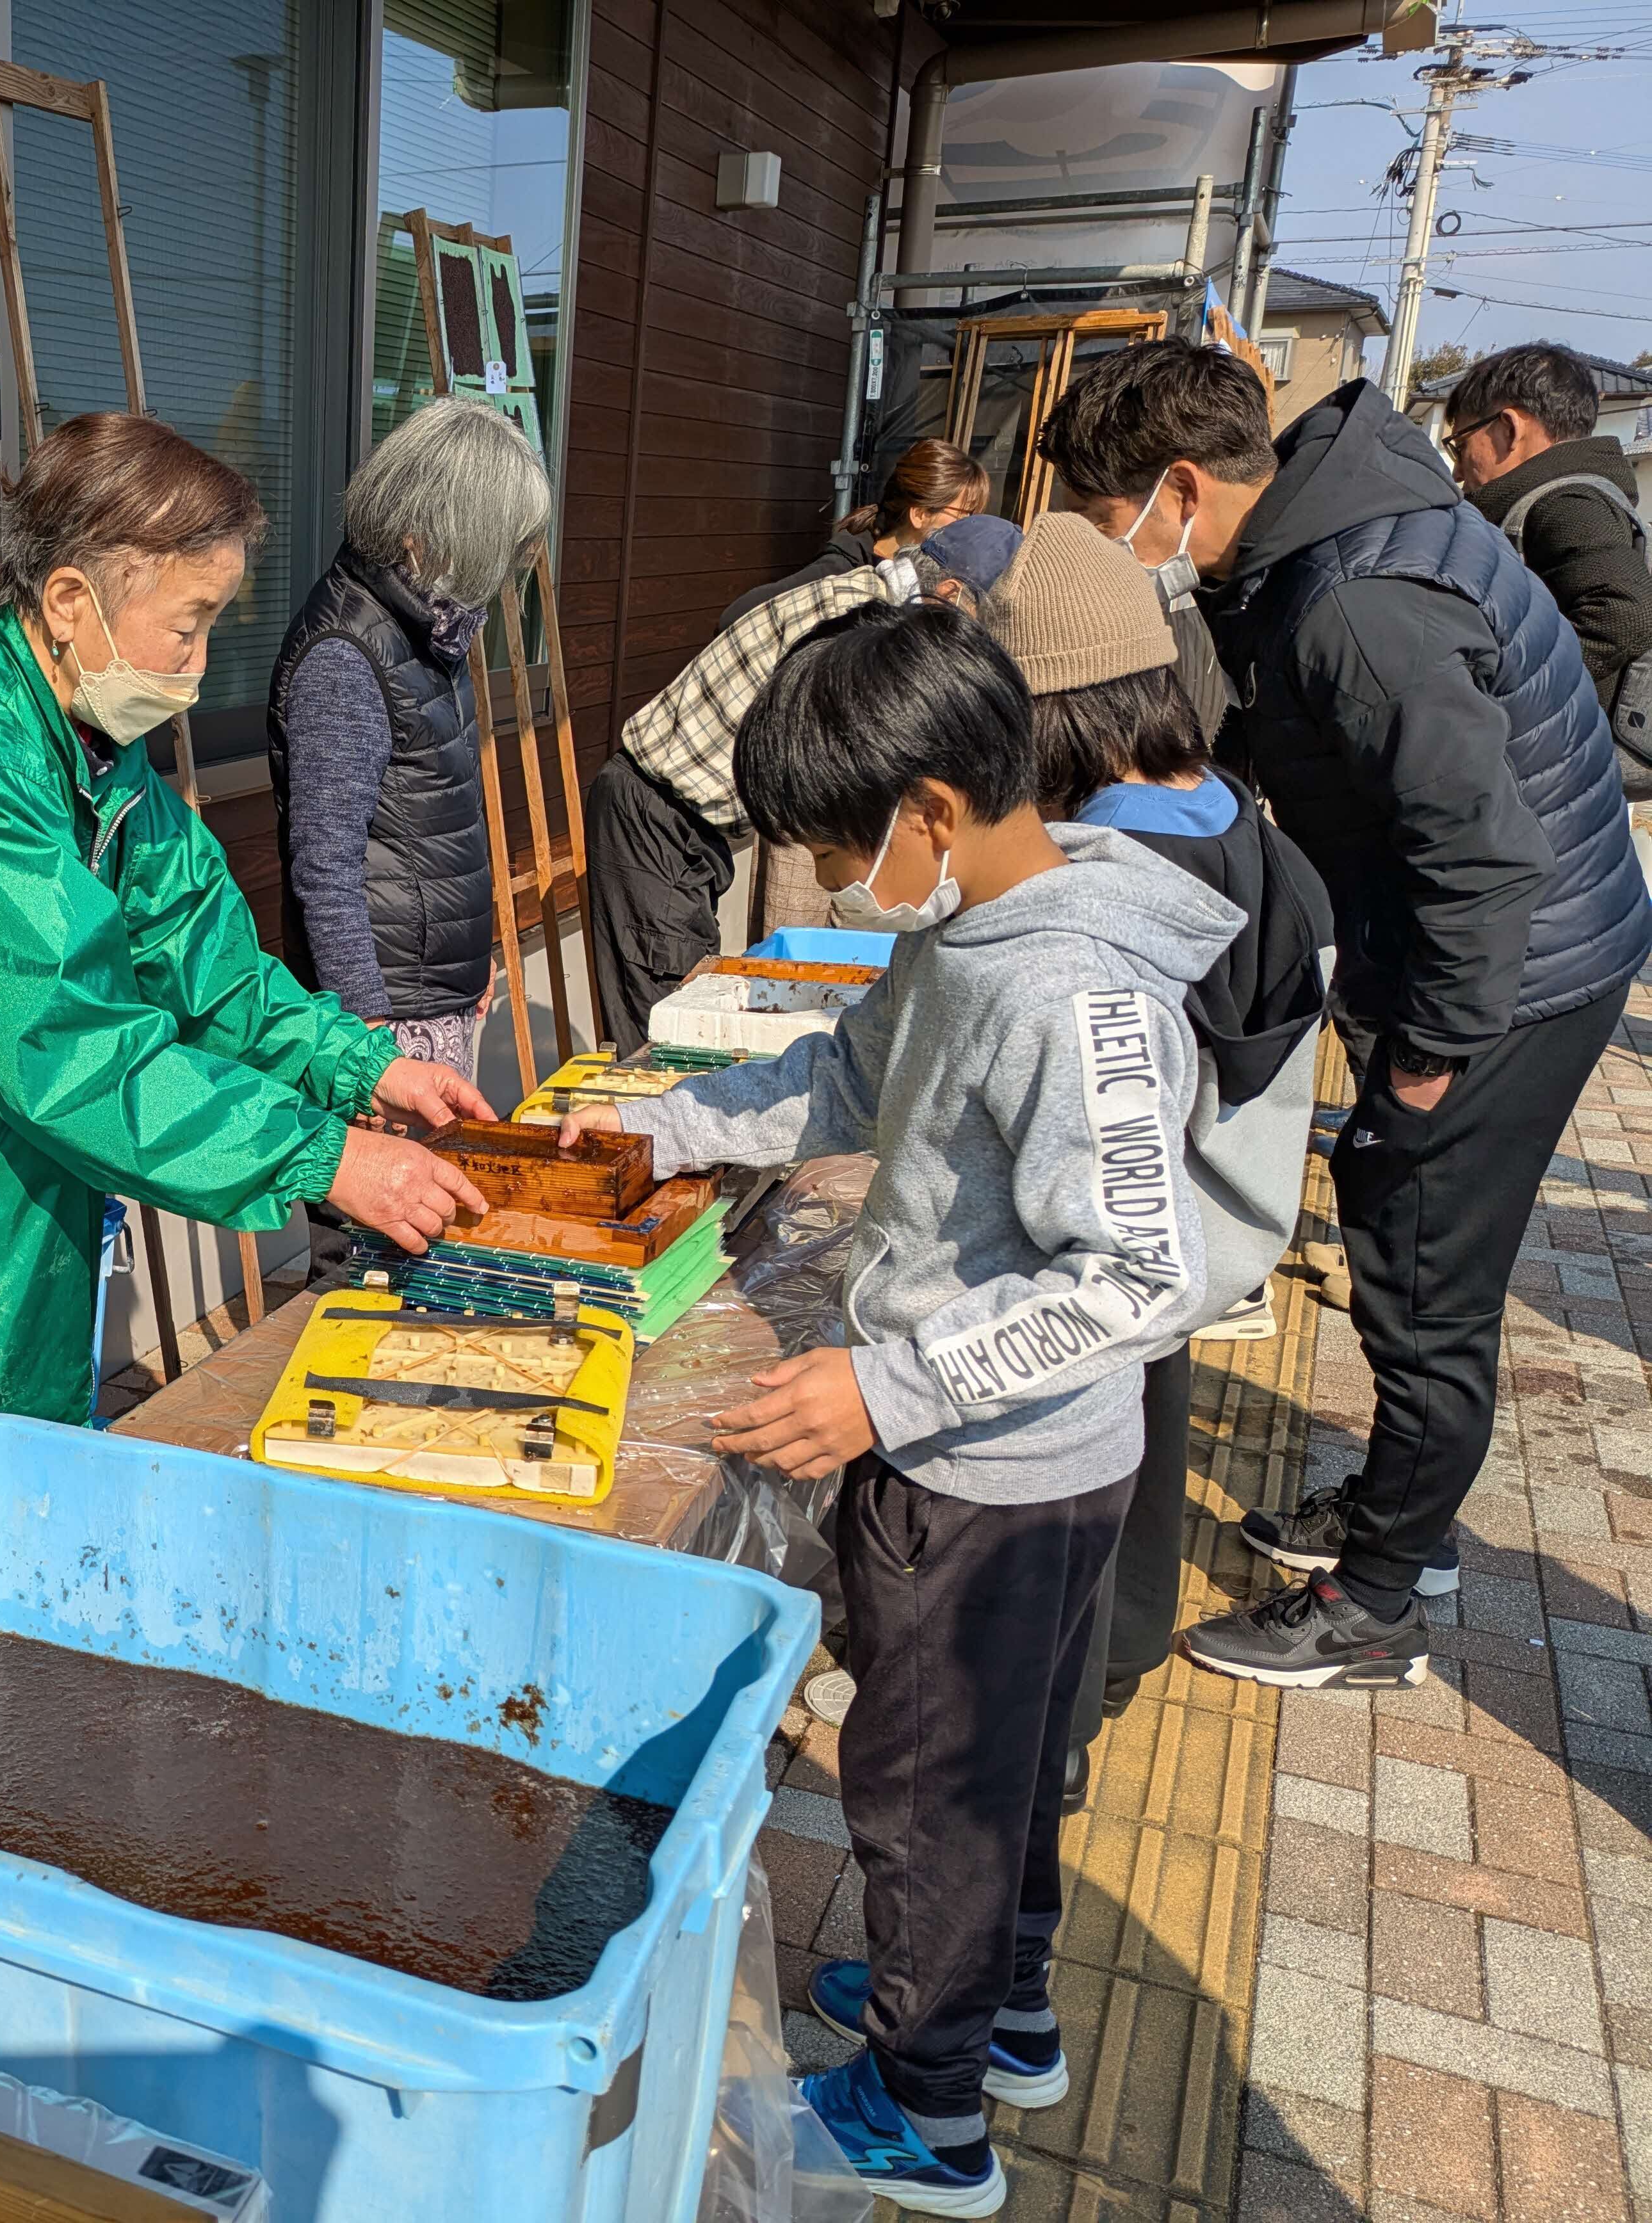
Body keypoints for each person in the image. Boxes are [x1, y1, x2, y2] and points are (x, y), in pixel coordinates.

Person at [562, 600, 1235, 2213]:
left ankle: (926, 2117)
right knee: (996, 1767)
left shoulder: (1075, 993)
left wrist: (885, 1385)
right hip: (987, 1450)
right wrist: (666, 1128)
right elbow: (843, 1082)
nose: (829, 886)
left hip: (994, 1471)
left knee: (922, 1789)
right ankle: (994, 2015)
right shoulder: (964, 930)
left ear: (928, 812)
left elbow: (1144, 1276)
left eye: (832, 853)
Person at [1040, 341, 1652, 1689]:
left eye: (1107, 519)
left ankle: (1378, 1599)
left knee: (1418, 1265)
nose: (1113, 548)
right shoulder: (1317, 527)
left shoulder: (1358, 599)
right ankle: (1397, 1511)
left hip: (1514, 968)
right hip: (1484, 940)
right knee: (1404, 1235)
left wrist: (1430, 1052)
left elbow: (1477, 856)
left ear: (1179, 486)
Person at [0, 414, 495, 1476]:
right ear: (71, 604)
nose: (199, 660)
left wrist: (367, 1063)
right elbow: (77, 1050)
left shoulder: (96, 755)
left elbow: (212, 967)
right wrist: (324, 1153)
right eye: (187, 624)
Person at [985, 514, 1332, 1800]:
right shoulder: (1227, 811)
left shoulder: (1117, 872)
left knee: (1060, 1482)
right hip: (1202, 1218)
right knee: (1143, 1429)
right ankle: (1121, 1649)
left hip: (1105, 1241)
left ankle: (1047, 1742)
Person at [586, 516, 1022, 1045]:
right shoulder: (862, 623)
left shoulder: (866, 594)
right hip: (658, 813)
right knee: (671, 1030)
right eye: (981, 621)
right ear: (950, 593)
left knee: (685, 1006)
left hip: (688, 817)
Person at [267, 396, 552, 1076]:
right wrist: (366, 1034)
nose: (505, 569)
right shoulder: (345, 654)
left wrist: (472, 955)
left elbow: (440, 816)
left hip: (433, 986)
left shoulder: (428, 627)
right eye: (498, 546)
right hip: (389, 1012)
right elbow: (326, 864)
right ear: (428, 534)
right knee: (409, 1182)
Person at [1441, 344, 1652, 770]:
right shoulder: (1565, 496)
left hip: (1562, 753)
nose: (1458, 472)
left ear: (1509, 428)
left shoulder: (1565, 502)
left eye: (1460, 446)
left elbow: (1624, 613)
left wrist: (1503, 690)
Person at [720, 438, 989, 626]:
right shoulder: (842, 568)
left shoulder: (929, 576)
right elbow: (736, 616)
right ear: (919, 514)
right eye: (966, 515)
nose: (973, 527)